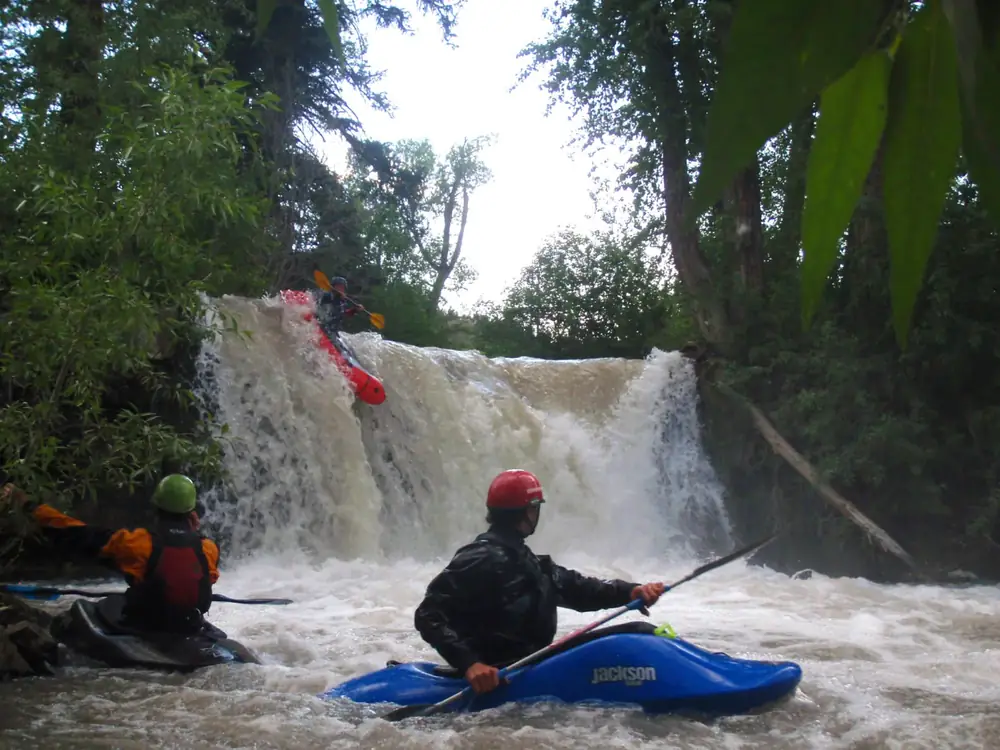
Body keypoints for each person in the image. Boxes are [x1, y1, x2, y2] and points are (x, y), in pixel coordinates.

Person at [414, 469, 666, 695]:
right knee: (638, 635)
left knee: (639, 632)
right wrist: (470, 664)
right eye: (535, 509)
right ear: (526, 512)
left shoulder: (523, 559)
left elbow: (577, 588)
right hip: (500, 673)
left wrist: (631, 592)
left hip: (530, 663)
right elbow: (428, 614)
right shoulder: (480, 558)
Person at [0, 474, 219, 635]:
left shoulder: (136, 544)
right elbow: (189, 574)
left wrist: (28, 504)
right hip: (187, 624)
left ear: (156, 509)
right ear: (191, 514)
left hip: (148, 624)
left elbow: (75, 532)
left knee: (111, 603)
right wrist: (193, 533)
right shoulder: (208, 548)